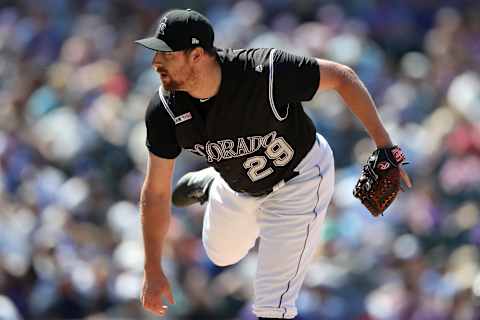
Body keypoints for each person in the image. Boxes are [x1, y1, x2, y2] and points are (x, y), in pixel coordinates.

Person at [135, 8, 411, 319]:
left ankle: (218, 182)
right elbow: (156, 192)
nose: (156, 63)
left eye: (166, 55)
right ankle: (214, 184)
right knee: (221, 254)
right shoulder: (165, 110)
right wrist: (152, 268)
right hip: (238, 182)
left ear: (197, 55)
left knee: (272, 308)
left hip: (299, 179)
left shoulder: (263, 71)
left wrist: (385, 146)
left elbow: (342, 78)